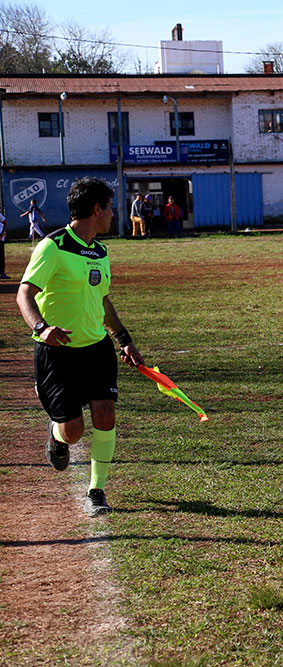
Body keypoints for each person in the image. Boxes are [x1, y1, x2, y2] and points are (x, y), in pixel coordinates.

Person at [15, 177, 145, 516]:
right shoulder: (53, 247)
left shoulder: (100, 251)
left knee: (106, 414)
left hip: (97, 348)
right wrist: (42, 328)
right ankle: (57, 435)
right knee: (73, 431)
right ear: (96, 209)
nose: (113, 214)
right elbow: (24, 293)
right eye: (111, 207)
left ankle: (96, 491)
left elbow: (102, 300)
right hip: (57, 352)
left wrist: (124, 339)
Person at [0, 210, 8, 278]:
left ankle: (2, 273)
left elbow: (5, 223)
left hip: (0, 238)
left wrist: (2, 233)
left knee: (1, 256)